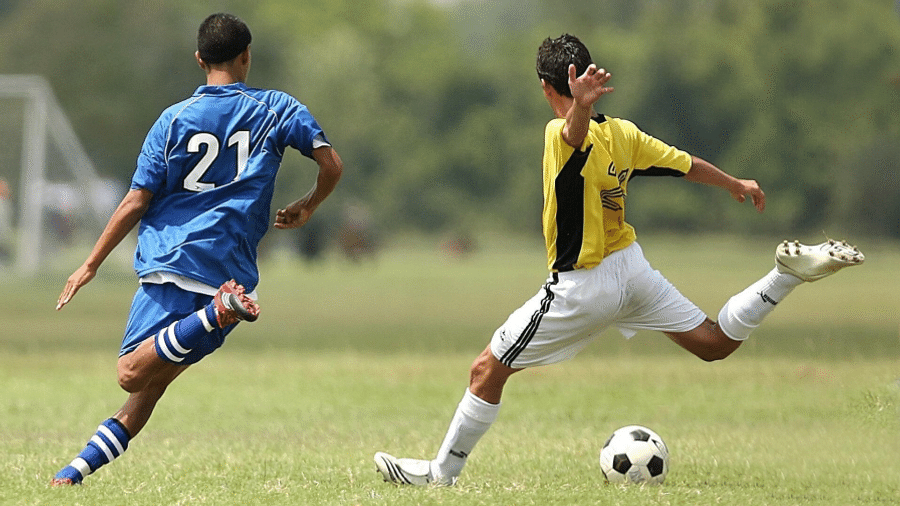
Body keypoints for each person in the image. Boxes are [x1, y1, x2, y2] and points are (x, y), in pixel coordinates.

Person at [373, 33, 863, 486]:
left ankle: (442, 474)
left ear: (547, 88)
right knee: (713, 342)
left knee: (486, 370)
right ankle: (783, 276)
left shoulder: (556, 133)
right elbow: (684, 163)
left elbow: (571, 136)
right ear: (586, 77)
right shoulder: (624, 134)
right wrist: (735, 183)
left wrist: (578, 110)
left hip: (582, 286)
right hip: (632, 268)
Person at [51, 13, 343, 486]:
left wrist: (89, 264)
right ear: (247, 56)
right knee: (146, 393)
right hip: (230, 269)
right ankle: (72, 475)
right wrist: (308, 206)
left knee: (130, 373)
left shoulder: (172, 120)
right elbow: (331, 164)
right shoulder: (277, 108)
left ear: (199, 59)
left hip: (173, 261)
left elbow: (136, 200)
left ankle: (213, 313)